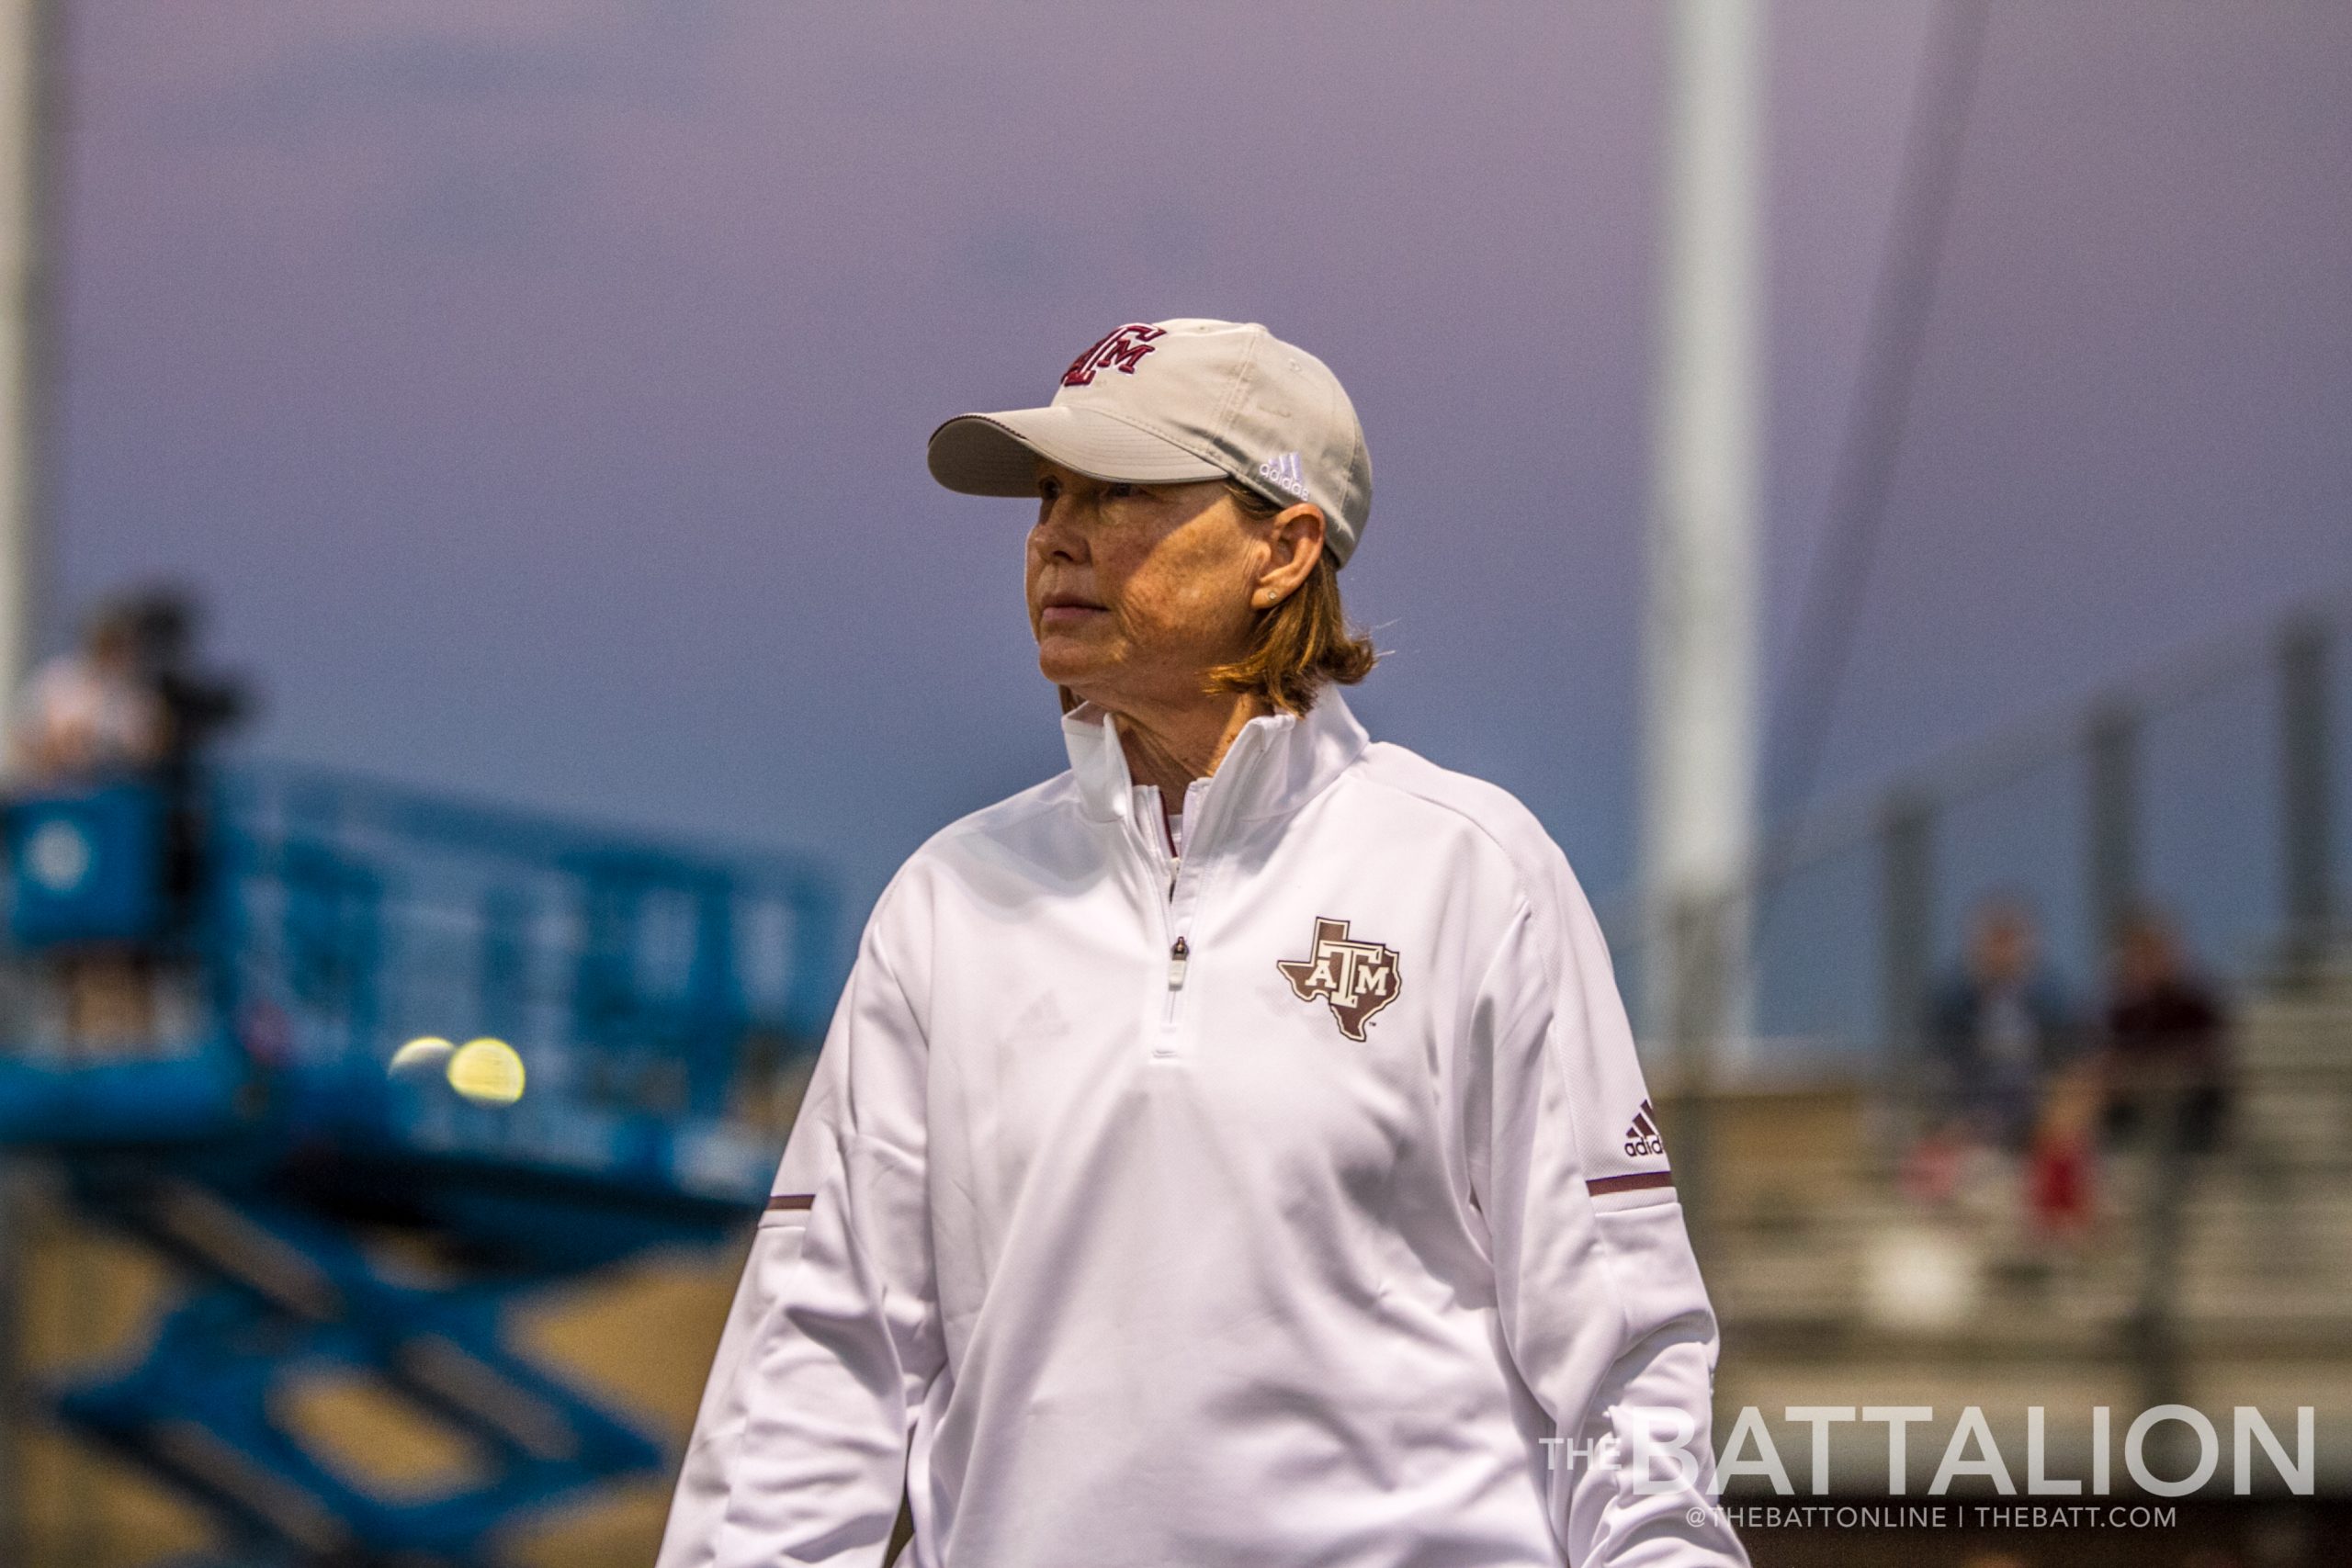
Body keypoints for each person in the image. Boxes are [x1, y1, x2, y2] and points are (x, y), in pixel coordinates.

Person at [658, 318, 1746, 1568]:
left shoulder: (1470, 872)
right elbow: (809, 1377)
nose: (1053, 534)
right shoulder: (947, 901)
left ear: (1283, 547)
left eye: (1118, 490)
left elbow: (1625, 1364)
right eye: (1048, 493)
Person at [1923, 897, 2078, 1155]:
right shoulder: (1952, 1002)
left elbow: (2071, 1059)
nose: (2003, 951)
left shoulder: (2052, 999)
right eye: (1995, 940)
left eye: (2011, 940)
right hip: (1970, 1113)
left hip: (2037, 1113)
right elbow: (1939, 1061)